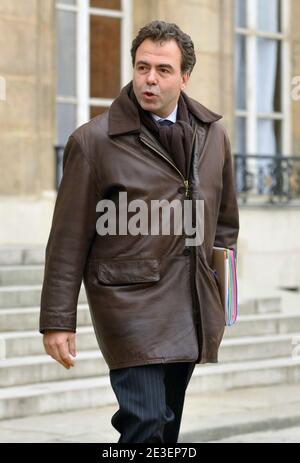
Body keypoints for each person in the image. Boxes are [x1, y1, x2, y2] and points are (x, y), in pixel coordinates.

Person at [40, 20, 239, 443]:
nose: (150, 78)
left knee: (166, 428)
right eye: (142, 67)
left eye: (163, 70)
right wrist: (57, 321)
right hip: (128, 303)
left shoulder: (214, 136)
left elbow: (224, 226)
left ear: (185, 76)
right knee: (145, 423)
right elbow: (67, 240)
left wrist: (222, 295)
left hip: (189, 305)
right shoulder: (92, 143)